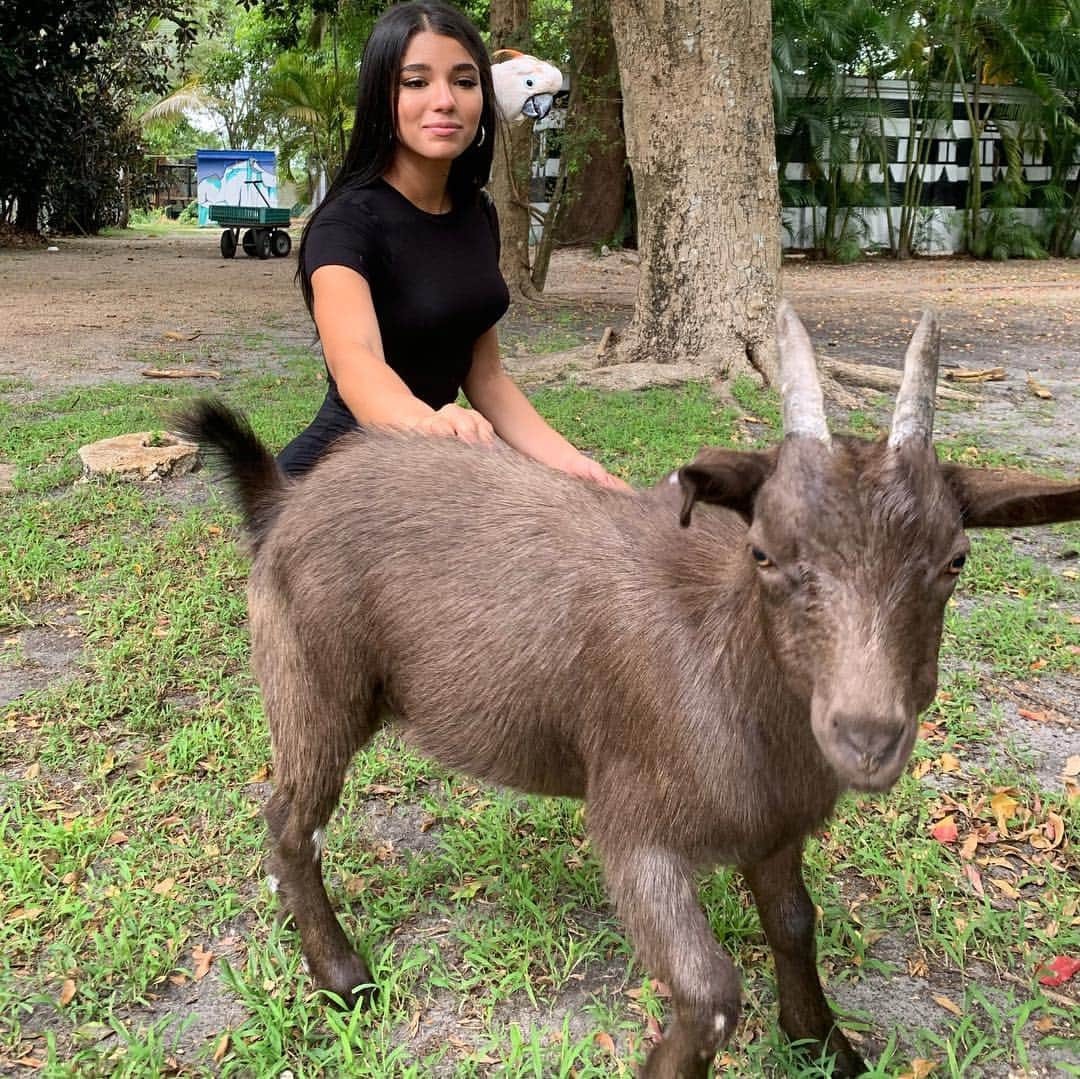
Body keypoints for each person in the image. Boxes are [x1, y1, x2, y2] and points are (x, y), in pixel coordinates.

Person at [281, 0, 628, 490]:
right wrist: (428, 425)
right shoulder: (345, 224)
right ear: (383, 97)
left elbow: (485, 378)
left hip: (432, 467)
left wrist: (585, 473)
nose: (444, 100)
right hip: (335, 482)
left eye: (464, 81)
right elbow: (356, 360)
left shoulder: (476, 213)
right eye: (416, 82)